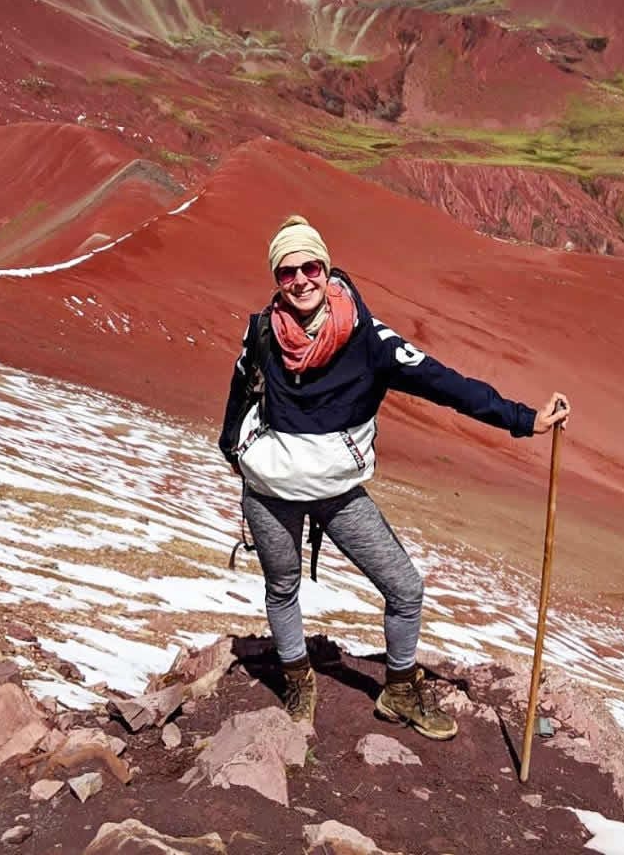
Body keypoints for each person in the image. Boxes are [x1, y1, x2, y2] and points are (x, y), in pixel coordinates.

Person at [219, 214, 570, 739]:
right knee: (282, 586)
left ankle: (399, 692)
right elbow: (240, 387)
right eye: (286, 272)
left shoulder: (369, 341)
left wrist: (524, 420)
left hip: (337, 492)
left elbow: (444, 383)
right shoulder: (264, 331)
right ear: (277, 279)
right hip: (271, 491)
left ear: (326, 266)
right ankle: (298, 679)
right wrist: (232, 449)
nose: (300, 281)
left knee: (404, 587)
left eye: (310, 267)